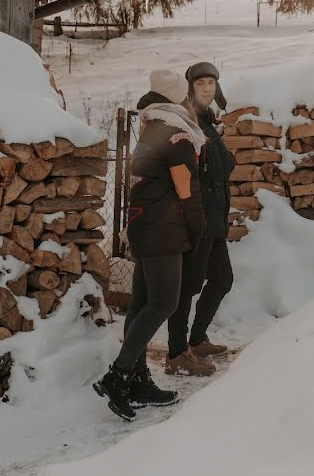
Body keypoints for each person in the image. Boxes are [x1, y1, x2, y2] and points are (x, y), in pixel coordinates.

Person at [93, 69, 207, 421]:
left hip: (141, 225)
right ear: (177, 100)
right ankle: (118, 375)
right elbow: (186, 189)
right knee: (164, 302)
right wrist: (197, 226)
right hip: (165, 229)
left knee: (143, 304)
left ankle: (139, 380)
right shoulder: (178, 137)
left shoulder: (149, 131)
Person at [164, 61, 235, 377]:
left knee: (222, 279)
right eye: (201, 82)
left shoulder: (208, 123)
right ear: (190, 86)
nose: (207, 88)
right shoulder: (187, 123)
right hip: (196, 218)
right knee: (188, 287)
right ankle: (177, 353)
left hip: (215, 218)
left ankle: (197, 338)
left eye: (212, 83)